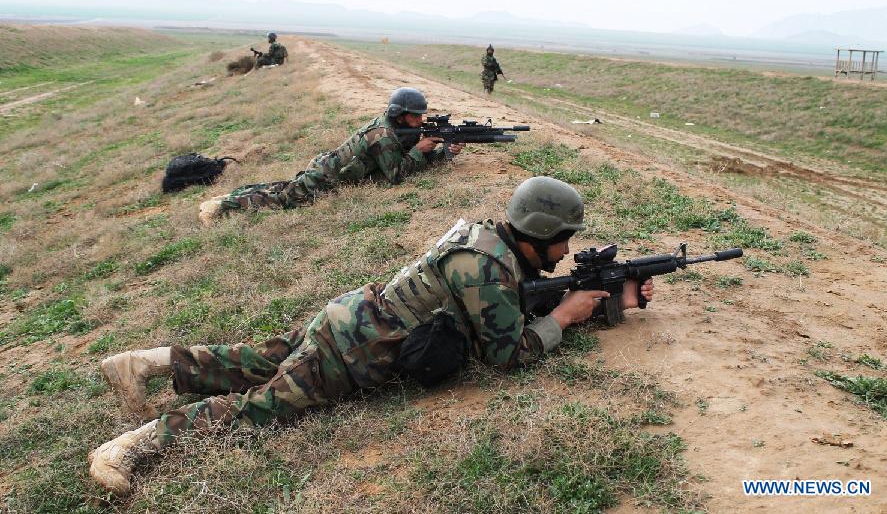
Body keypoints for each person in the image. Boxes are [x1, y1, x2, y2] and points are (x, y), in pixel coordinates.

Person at [89, 176, 655, 494]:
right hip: (354, 350)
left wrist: (611, 298)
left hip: (350, 315)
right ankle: (136, 443)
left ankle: (151, 361)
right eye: (565, 238)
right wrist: (564, 318)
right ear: (541, 233)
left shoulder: (488, 243)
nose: (567, 248)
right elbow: (507, 352)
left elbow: (508, 302)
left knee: (261, 360)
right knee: (260, 409)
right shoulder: (487, 268)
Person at [197, 87, 463, 225]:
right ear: (399, 113)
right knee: (282, 199)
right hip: (328, 177)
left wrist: (441, 154)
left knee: (284, 188)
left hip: (331, 167)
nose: (420, 119)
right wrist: (420, 151)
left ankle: (228, 197)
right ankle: (221, 207)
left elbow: (400, 159)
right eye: (415, 115)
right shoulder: (382, 134)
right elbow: (395, 174)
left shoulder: (394, 127)